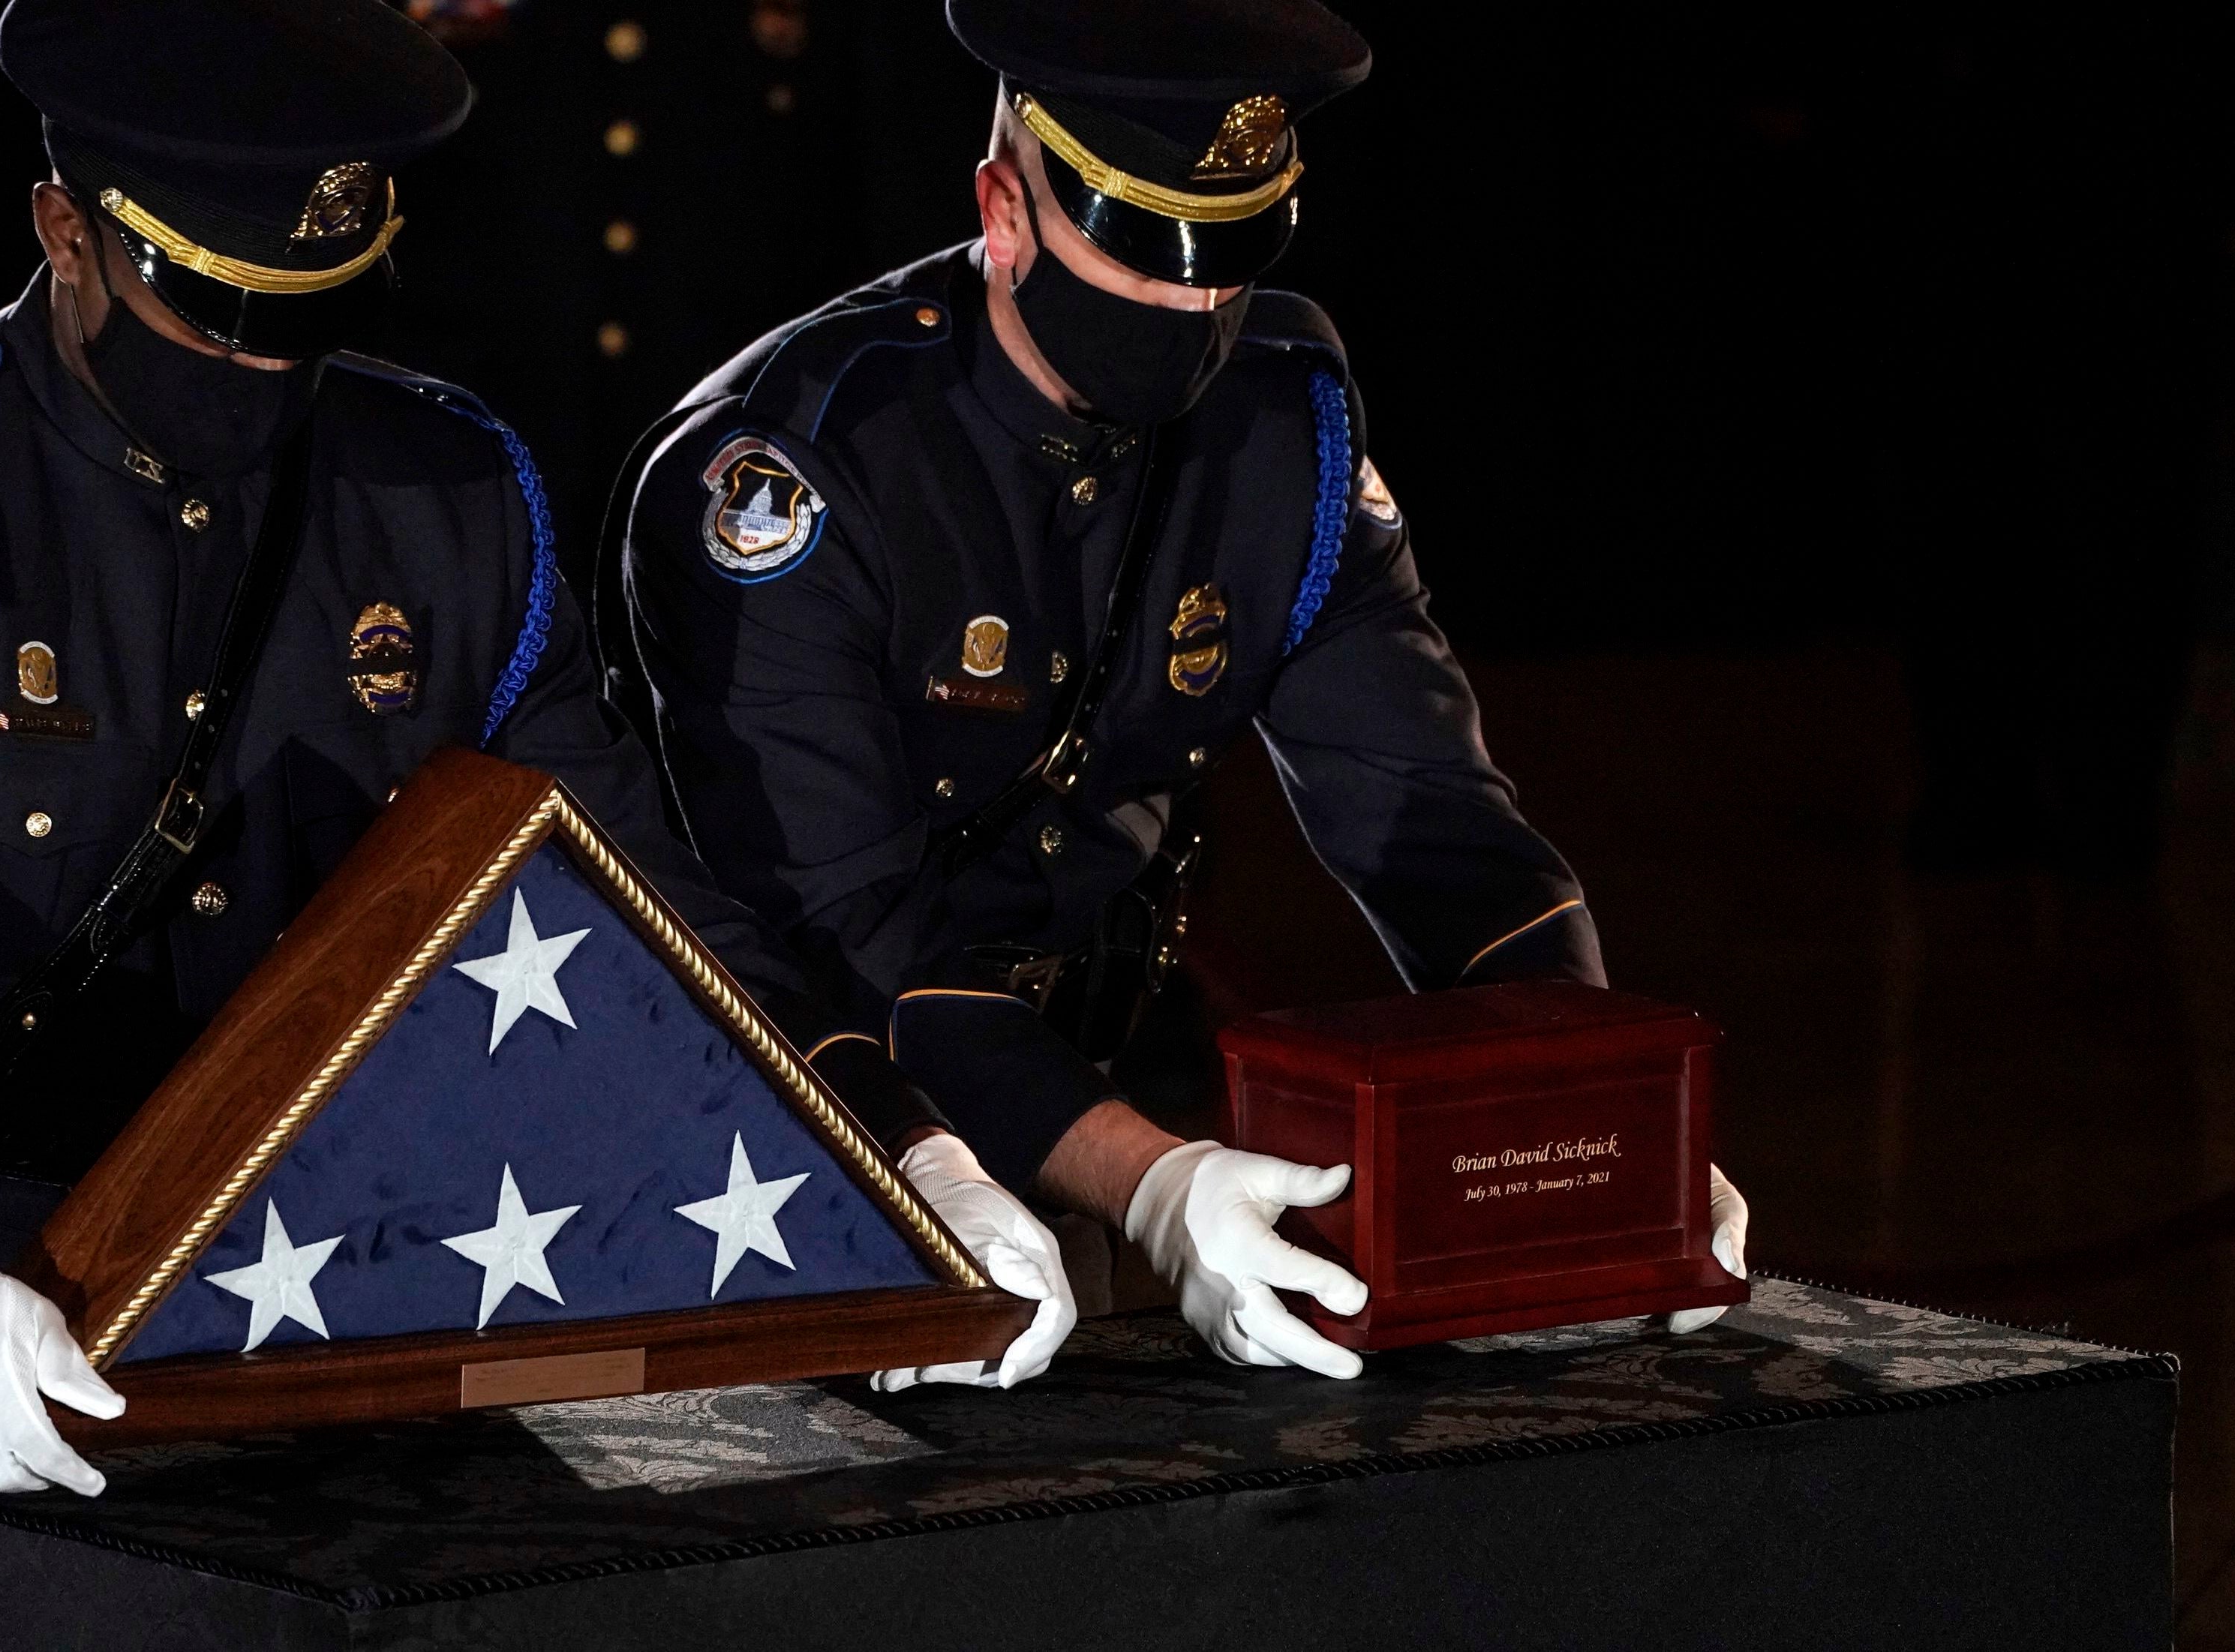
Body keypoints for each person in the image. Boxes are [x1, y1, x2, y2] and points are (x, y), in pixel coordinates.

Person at [0, 5, 1069, 1647]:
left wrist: (901, 1146)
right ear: (66, 230)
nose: (259, 368)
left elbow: (647, 898)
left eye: (307, 314)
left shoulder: (444, 491)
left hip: (271, 1323)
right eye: (215, 312)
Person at [613, 0, 1750, 1389]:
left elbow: (1431, 818)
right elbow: (839, 925)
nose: (1195, 309)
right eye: (1145, 252)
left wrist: (1599, 1107)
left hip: (1089, 1092)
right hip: (794, 1129)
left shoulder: (1282, 423)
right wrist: (1146, 1178)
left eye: (1232, 256)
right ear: (1006, 211)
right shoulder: (800, 465)